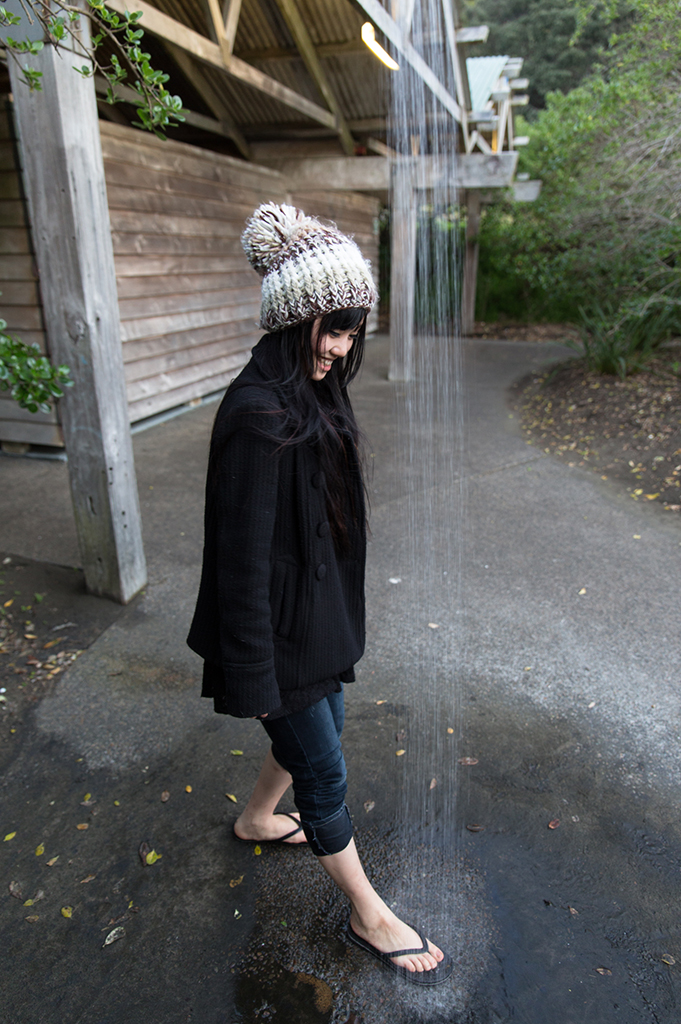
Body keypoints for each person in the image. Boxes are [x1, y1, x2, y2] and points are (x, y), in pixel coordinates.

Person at [187, 203, 453, 986]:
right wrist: (259, 682)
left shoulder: (308, 395)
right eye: (328, 329)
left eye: (350, 332)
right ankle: (371, 916)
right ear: (289, 323)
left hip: (313, 626)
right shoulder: (256, 416)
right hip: (275, 636)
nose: (339, 349)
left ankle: (256, 818)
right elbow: (238, 568)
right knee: (325, 769)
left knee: (320, 727)